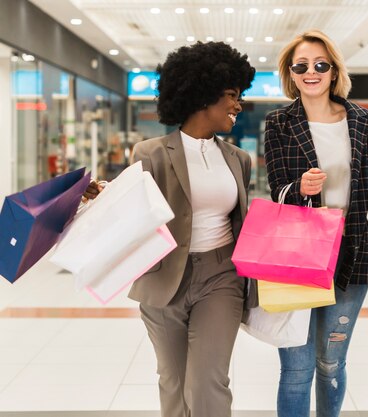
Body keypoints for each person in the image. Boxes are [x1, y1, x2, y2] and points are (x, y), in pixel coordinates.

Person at [85, 41, 255, 417]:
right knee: (173, 381)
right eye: (231, 95)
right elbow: (132, 199)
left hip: (221, 275)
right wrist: (99, 192)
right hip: (165, 276)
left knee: (207, 379)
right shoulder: (151, 152)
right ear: (202, 95)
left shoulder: (238, 160)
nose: (238, 105)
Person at [263, 29, 368, 417]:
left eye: (321, 64)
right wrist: (299, 188)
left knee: (331, 363)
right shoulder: (279, 123)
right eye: (302, 66)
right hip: (297, 258)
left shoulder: (361, 121)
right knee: (297, 369)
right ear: (291, 73)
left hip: (349, 254)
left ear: (334, 71)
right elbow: (276, 191)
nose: (311, 72)